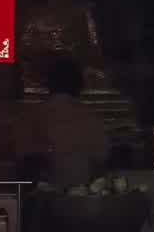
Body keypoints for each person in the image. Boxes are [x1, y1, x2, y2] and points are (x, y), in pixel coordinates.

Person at [20, 58, 110, 188]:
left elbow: (26, 160)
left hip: (44, 196)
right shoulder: (91, 117)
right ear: (79, 84)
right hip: (82, 196)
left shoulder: (33, 116)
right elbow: (101, 160)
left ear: (49, 83)